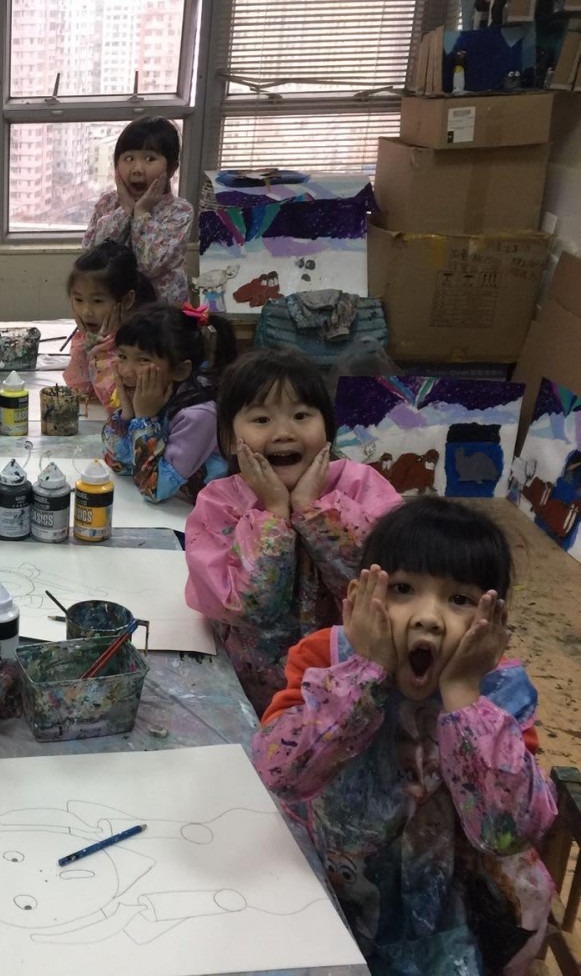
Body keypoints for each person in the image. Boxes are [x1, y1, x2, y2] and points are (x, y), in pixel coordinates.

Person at [251, 498, 556, 974]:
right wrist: (365, 672)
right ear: (360, 596)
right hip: (332, 894)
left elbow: (508, 832)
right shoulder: (327, 657)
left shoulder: (501, 692)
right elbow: (280, 773)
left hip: (453, 921)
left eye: (460, 600)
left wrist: (464, 694)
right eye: (403, 589)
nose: (427, 617)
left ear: (493, 621)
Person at [183, 349, 402, 714]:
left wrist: (312, 510)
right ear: (229, 437)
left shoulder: (361, 486)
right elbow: (250, 607)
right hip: (254, 692)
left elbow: (378, 586)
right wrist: (274, 514)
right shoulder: (220, 504)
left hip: (349, 688)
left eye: (301, 416)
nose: (284, 433)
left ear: (327, 427)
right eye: (261, 419)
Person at [102, 303, 237, 503]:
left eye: (143, 360)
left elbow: (154, 489)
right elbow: (119, 464)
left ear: (180, 370)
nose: (126, 371)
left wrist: (144, 419)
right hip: (174, 508)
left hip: (207, 514)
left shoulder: (200, 415)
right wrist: (127, 415)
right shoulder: (157, 396)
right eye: (122, 356)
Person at [83, 117, 194, 305]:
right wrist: (125, 210)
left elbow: (149, 265)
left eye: (150, 159)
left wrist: (141, 213)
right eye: (128, 159)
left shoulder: (180, 211)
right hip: (115, 309)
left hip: (161, 313)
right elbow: (93, 259)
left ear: (172, 168)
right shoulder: (108, 203)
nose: (137, 169)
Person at [61, 241, 158, 410]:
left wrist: (103, 350)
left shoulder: (140, 343)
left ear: (127, 300)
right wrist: (86, 344)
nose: (86, 312)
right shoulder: (97, 336)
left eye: (97, 301)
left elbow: (118, 404)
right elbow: (80, 391)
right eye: (78, 300)